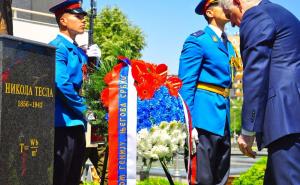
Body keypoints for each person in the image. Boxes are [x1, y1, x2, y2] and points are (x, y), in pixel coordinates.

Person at [218, 0, 300, 184]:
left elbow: (256, 74)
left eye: (230, 14)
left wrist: (248, 129)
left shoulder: (256, 15)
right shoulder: (281, 14)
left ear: (237, 2)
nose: (232, 23)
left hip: (285, 119)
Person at [178, 0, 238, 184]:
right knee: (202, 179)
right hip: (203, 119)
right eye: (222, 4)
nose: (228, 7)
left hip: (224, 118)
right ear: (210, 12)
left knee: (221, 177)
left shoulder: (228, 44)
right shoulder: (198, 40)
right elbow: (186, 84)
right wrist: (189, 124)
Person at [48, 1, 100, 184]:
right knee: (60, 178)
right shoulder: (58, 48)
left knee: (72, 179)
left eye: (83, 16)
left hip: (77, 124)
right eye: (77, 16)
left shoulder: (78, 52)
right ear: (63, 20)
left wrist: (95, 62)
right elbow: (61, 84)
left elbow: (91, 82)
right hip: (63, 124)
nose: (83, 20)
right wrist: (86, 110)